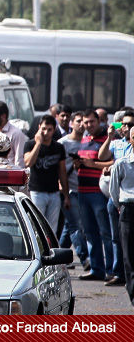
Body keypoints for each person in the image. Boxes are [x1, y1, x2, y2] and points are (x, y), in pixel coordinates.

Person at [75, 109, 114, 281]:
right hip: (82, 192)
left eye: (92, 121)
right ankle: (96, 269)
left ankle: (111, 270)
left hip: (98, 193)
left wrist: (94, 164)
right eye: (86, 122)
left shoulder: (108, 139)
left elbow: (114, 162)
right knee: (89, 233)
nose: (89, 125)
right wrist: (78, 164)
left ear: (99, 121)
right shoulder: (84, 139)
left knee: (106, 232)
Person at [97, 111, 134, 286]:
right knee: (116, 237)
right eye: (123, 124)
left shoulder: (131, 145)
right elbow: (102, 156)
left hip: (127, 198)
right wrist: (109, 137)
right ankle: (118, 272)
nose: (126, 127)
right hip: (118, 199)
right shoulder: (116, 143)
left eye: (130, 124)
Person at [24, 115, 69, 234]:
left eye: (49, 130)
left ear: (54, 130)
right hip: (37, 192)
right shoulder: (30, 144)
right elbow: (28, 162)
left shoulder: (58, 147)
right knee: (36, 226)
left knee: (52, 229)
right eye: (43, 129)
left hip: (54, 192)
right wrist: (38, 144)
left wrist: (66, 196)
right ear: (39, 127)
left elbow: (62, 172)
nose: (46, 133)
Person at [58, 112, 90, 270]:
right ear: (71, 123)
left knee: (69, 225)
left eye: (84, 122)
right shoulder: (62, 143)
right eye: (78, 121)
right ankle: (85, 259)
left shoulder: (87, 142)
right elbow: (58, 168)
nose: (82, 125)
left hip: (84, 189)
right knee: (76, 226)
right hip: (68, 191)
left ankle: (58, 258)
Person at [109, 126, 134, 306]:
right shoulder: (122, 163)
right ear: (130, 140)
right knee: (129, 255)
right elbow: (114, 190)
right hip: (128, 208)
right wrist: (120, 207)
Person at [0, 101, 27, 168]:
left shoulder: (16, 133)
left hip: (10, 172)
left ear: (3, 116)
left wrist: (17, 173)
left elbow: (19, 160)